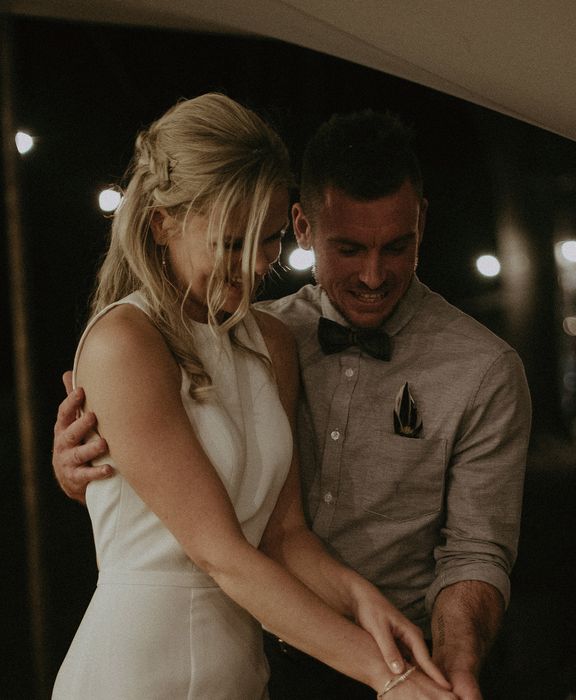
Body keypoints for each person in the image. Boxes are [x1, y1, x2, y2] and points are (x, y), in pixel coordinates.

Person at [53, 109, 532, 699]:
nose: (258, 265)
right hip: (146, 666)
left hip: (250, 669)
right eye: (235, 243)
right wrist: (392, 676)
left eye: (269, 240)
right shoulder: (127, 341)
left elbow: (284, 533)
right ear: (160, 224)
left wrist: (373, 610)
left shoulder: (270, 340)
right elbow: (220, 552)